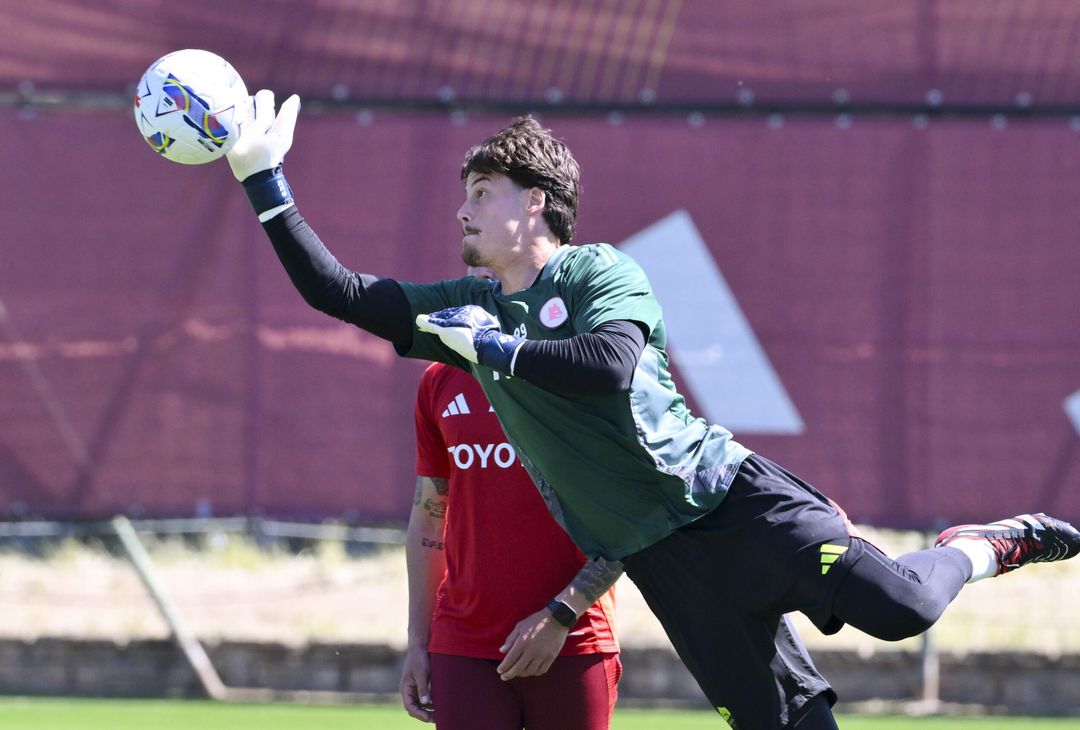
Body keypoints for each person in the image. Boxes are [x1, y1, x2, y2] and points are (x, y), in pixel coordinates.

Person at [226, 90, 1080, 729]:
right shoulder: (465, 303)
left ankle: (979, 544)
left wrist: (490, 348)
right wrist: (264, 180)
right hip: (662, 557)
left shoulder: (600, 273)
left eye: (481, 191)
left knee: (904, 612)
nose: (462, 208)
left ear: (534, 202)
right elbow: (339, 292)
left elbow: (607, 365)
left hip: (736, 505)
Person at [400, 267, 621, 729]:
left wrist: (562, 615)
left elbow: (634, 519)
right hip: (463, 643)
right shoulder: (439, 380)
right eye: (476, 269)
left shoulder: (581, 372)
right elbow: (428, 519)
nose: (486, 278)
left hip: (573, 638)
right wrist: (418, 642)